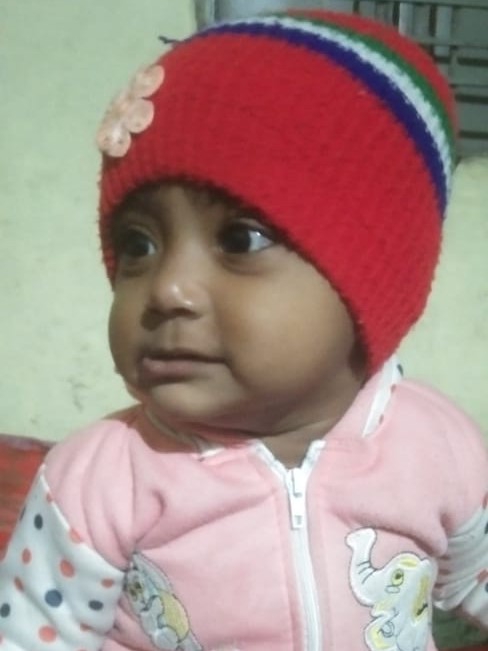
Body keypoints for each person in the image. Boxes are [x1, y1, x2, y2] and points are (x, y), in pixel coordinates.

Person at [0, 8, 487, 651]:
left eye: (241, 239)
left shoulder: (438, 447)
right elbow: (32, 635)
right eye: (138, 245)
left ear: (374, 282)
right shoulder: (99, 480)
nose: (167, 289)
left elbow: (474, 576)